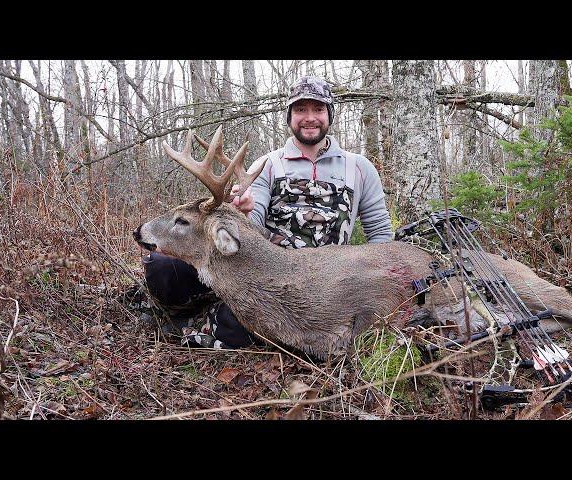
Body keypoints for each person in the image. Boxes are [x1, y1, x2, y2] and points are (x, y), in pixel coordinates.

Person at [141, 75, 393, 349]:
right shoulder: (267, 166)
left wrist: (385, 277)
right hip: (268, 275)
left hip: (326, 282)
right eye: (300, 110)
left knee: (234, 325)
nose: (310, 118)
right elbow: (253, 226)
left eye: (318, 109)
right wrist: (244, 209)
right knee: (162, 266)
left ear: (329, 115)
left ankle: (214, 316)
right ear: (289, 116)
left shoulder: (358, 167)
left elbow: (380, 234)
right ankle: (188, 315)